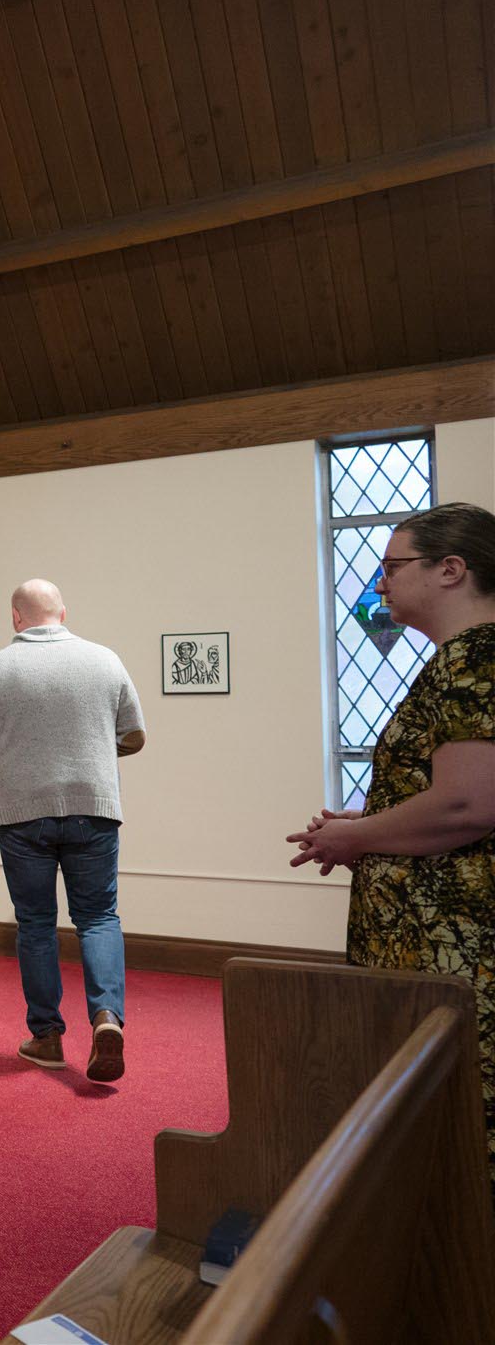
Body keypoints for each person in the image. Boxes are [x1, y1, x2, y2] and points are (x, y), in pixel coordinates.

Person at [287, 501, 495, 1193]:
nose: (378, 585)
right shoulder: (461, 658)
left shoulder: (478, 653)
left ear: (451, 569)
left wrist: (360, 834)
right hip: (441, 931)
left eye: (392, 566)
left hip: (458, 940)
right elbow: (447, 787)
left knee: (457, 1128)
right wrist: (371, 820)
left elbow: (471, 803)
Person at [0, 579, 145, 1084]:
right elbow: (134, 735)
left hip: (22, 813)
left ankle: (47, 1036)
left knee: (36, 924)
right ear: (63, 612)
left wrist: (16, 755)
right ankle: (107, 1018)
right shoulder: (106, 659)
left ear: (17, 618)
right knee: (99, 917)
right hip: (94, 807)